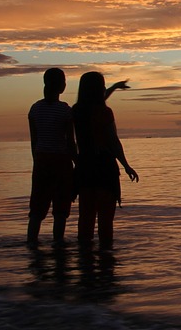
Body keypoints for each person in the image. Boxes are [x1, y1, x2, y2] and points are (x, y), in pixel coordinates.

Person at [72, 71, 139, 251]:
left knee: (85, 218)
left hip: (84, 168)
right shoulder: (104, 112)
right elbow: (113, 141)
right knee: (105, 220)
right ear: (97, 89)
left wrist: (115, 87)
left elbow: (94, 101)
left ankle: (84, 261)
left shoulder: (76, 111)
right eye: (102, 85)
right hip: (104, 168)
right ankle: (106, 262)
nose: (104, 88)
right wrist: (126, 165)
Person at [27, 67, 76, 245]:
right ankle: (58, 245)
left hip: (41, 160)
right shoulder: (65, 111)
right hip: (61, 162)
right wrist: (77, 163)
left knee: (37, 211)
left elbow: (34, 141)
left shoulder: (35, 109)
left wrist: (37, 161)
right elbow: (71, 142)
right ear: (62, 87)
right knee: (61, 211)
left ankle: (31, 244)